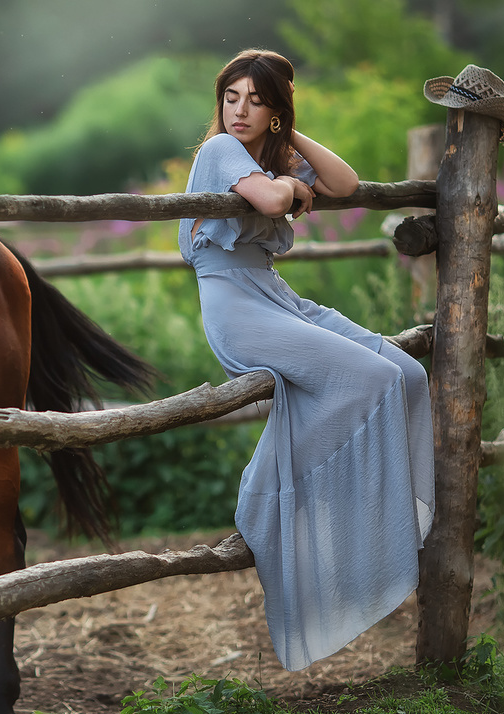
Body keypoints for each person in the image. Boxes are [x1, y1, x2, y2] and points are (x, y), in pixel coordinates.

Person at [178, 49, 434, 671]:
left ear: (277, 111)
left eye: (256, 100)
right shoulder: (218, 152)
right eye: (231, 97)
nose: (239, 111)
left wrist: (289, 142)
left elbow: (344, 184)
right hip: (236, 307)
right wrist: (292, 187)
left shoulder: (269, 150)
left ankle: (367, 516)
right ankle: (272, 500)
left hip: (276, 296)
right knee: (372, 378)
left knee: (408, 373)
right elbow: (270, 203)